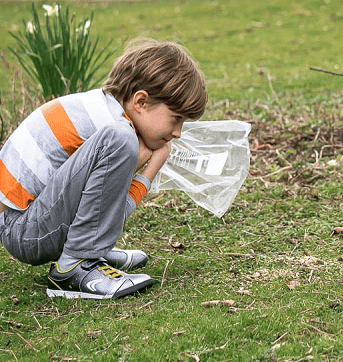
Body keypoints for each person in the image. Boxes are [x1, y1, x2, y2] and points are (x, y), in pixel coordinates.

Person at [0, 38, 208, 299]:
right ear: (141, 102)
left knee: (121, 139)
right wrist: (146, 170)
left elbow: (101, 214)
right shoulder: (115, 131)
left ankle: (89, 250)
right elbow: (113, 214)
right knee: (120, 139)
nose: (178, 133)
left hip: (31, 223)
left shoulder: (103, 111)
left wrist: (149, 166)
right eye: (176, 119)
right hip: (23, 231)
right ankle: (75, 265)